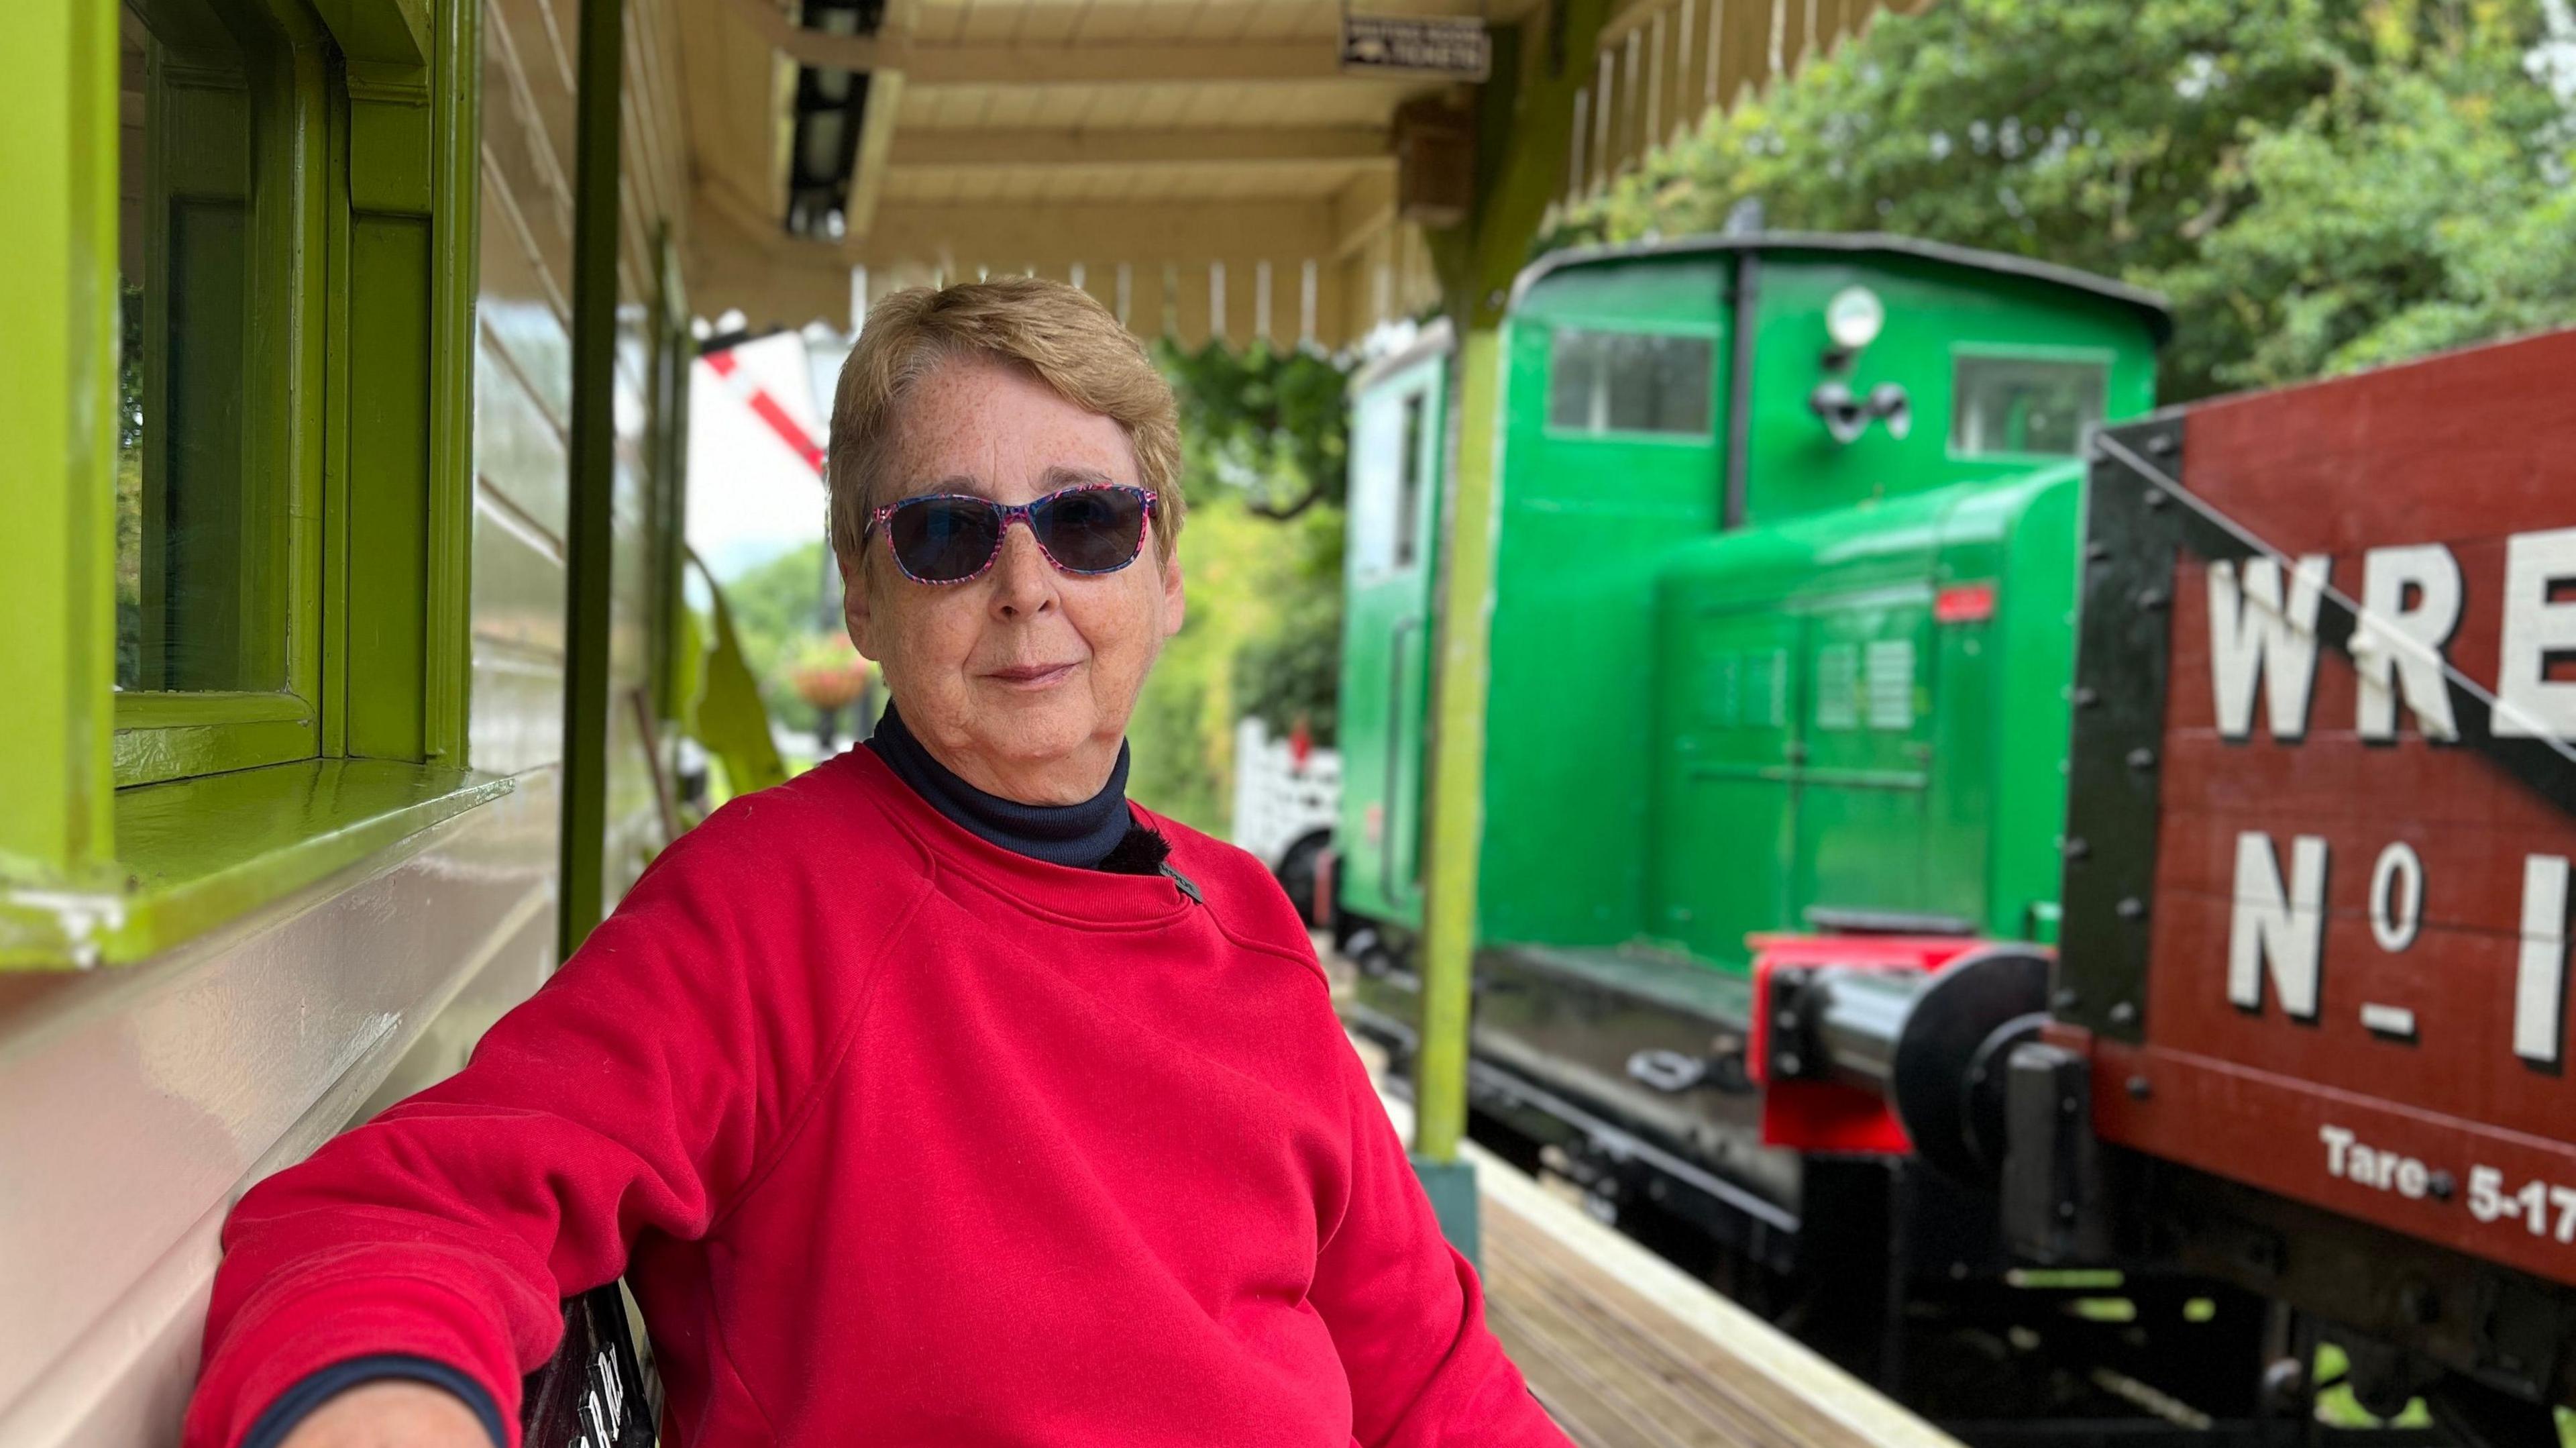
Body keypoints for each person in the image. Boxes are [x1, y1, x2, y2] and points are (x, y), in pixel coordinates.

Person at [183, 278, 1570, 1448]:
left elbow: (1435, 1376)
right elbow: (407, 1212)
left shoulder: (1251, 916)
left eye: (1088, 520)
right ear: (862, 592)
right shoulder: (765, 908)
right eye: (949, 534)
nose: (1027, 586)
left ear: (1166, 574)